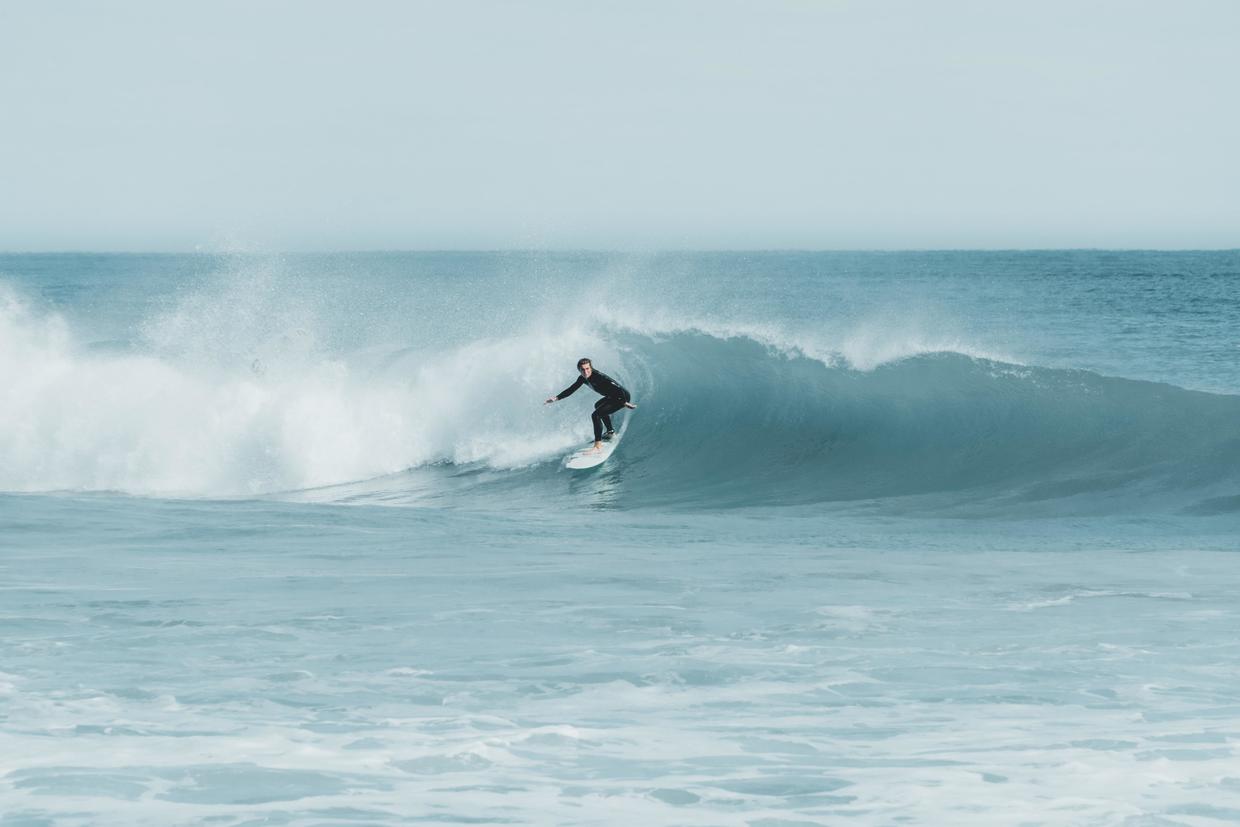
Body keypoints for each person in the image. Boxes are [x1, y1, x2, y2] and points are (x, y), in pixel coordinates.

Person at [545, 358, 637, 451]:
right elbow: (571, 389)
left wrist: (624, 402)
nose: (585, 371)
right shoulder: (582, 379)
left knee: (596, 415)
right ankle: (610, 432)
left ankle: (598, 445)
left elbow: (618, 388)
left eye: (587, 368)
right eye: (583, 369)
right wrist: (556, 398)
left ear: (591, 368)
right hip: (612, 397)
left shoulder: (598, 376)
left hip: (621, 397)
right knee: (598, 406)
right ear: (579, 370)